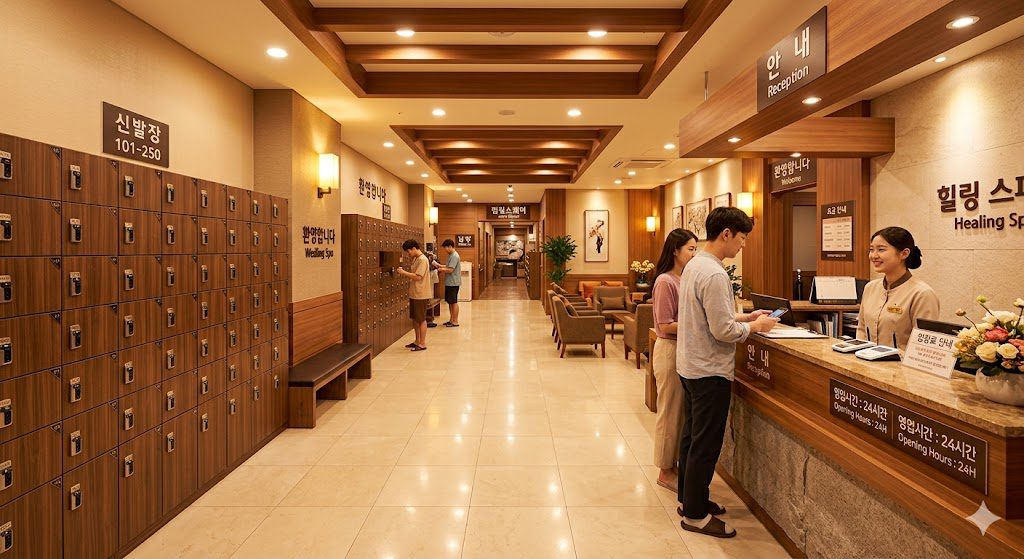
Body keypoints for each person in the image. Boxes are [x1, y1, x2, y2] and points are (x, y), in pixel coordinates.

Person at [676, 206, 779, 538]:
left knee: (692, 438)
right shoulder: (716, 273)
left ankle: (690, 499)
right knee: (704, 444)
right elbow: (722, 331)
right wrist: (757, 327)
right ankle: (695, 516)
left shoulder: (695, 265)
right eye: (742, 238)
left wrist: (746, 318)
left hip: (691, 366)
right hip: (709, 371)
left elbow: (711, 318)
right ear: (726, 234)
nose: (742, 245)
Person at [651, 228, 699, 492]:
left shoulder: (686, 279)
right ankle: (664, 469)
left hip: (684, 351)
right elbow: (665, 325)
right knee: (669, 412)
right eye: (690, 249)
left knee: (680, 413)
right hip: (669, 351)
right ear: (675, 251)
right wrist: (699, 324)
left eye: (695, 249)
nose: (694, 254)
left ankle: (674, 463)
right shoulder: (665, 282)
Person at [856, 226, 939, 349]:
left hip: (900, 367)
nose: (873, 255)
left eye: (881, 249)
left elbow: (924, 346)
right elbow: (861, 329)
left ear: (904, 253)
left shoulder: (922, 293)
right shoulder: (870, 287)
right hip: (866, 363)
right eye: (871, 249)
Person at [396, 239, 431, 351]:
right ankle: (417, 341)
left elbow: (418, 277)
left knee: (421, 319)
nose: (408, 253)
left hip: (421, 294)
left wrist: (403, 273)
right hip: (415, 293)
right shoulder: (416, 259)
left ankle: (422, 343)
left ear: (414, 248)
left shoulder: (422, 260)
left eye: (409, 251)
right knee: (415, 319)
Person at [434, 239, 462, 327]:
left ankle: (455, 321)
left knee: (453, 302)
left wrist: (440, 269)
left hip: (453, 282)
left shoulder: (454, 256)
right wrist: (439, 265)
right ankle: (451, 319)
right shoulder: (450, 255)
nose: (445, 250)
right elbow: (448, 266)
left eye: (445, 248)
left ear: (450, 246)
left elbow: (450, 270)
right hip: (449, 282)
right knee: (450, 302)